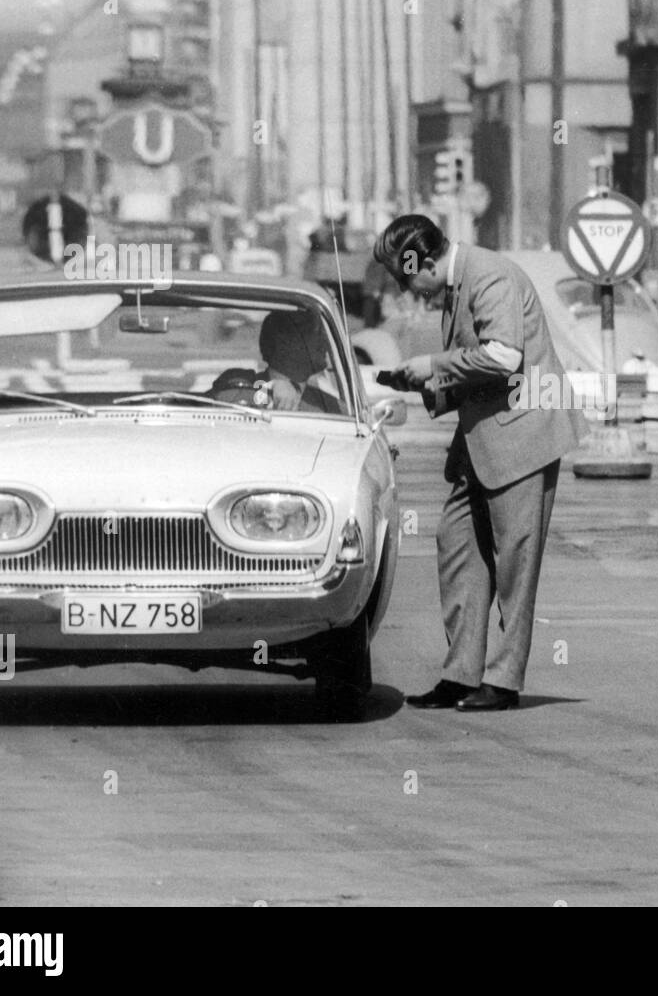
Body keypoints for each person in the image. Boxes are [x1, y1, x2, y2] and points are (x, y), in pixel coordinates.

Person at [373, 214, 586, 711]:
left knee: (515, 560)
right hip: (484, 437)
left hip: (522, 435)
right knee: (457, 543)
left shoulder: (488, 276)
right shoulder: (460, 279)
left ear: (424, 262)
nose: (410, 292)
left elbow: (503, 356)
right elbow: (477, 363)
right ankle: (462, 673)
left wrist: (433, 365)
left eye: (408, 280)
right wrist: (424, 381)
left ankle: (504, 680)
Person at [209, 309, 344, 413]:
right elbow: (225, 398)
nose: (325, 342)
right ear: (285, 343)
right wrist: (271, 386)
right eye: (315, 333)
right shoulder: (239, 380)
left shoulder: (325, 401)